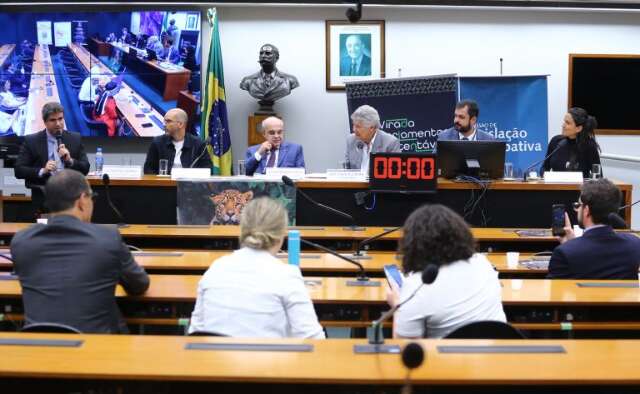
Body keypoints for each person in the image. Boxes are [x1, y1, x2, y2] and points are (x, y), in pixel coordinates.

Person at [11, 170, 150, 333]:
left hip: (38, 348)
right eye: (92, 197)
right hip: (97, 348)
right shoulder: (107, 239)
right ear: (82, 200)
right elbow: (139, 285)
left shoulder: (21, 241)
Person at [188, 197, 325, 338]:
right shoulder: (287, 275)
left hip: (211, 358)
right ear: (281, 235)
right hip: (268, 359)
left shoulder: (216, 268)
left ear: (242, 230)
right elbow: (314, 339)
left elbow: (195, 331)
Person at [390, 204, 506, 338]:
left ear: (413, 244)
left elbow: (404, 346)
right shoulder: (483, 263)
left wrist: (397, 306)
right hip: (499, 355)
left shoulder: (417, 286)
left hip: (448, 358)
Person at [547, 178, 640, 279]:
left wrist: (570, 246)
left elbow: (555, 292)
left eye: (578, 205)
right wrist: (572, 243)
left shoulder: (564, 253)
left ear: (586, 210)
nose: (577, 210)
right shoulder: (634, 244)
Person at [14, 102, 90, 215]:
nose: (58, 124)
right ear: (45, 122)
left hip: (70, 195)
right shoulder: (32, 141)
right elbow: (19, 170)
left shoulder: (75, 138)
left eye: (60, 119)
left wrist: (70, 161)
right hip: (44, 195)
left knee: (69, 229)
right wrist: (42, 170)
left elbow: (85, 168)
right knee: (46, 229)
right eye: (53, 120)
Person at [143, 108, 212, 174]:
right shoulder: (158, 142)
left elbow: (207, 169)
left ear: (180, 124)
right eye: (164, 121)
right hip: (164, 184)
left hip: (190, 185)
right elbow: (148, 169)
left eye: (168, 121)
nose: (164, 124)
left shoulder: (198, 144)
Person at [541, 107, 601, 179]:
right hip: (555, 188)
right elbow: (544, 167)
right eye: (564, 121)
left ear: (578, 128)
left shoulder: (589, 146)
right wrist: (545, 175)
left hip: (578, 189)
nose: (563, 125)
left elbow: (598, 176)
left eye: (568, 123)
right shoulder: (556, 141)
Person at [239, 44, 299, 110]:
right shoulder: (247, 81)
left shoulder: (290, 80)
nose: (263, 56)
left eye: (268, 53)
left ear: (277, 57)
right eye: (261, 53)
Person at [344, 104, 401, 173]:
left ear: (371, 128)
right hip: (356, 183)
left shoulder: (390, 143)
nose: (354, 129)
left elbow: (394, 173)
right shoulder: (351, 140)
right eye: (353, 125)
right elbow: (347, 169)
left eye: (358, 126)